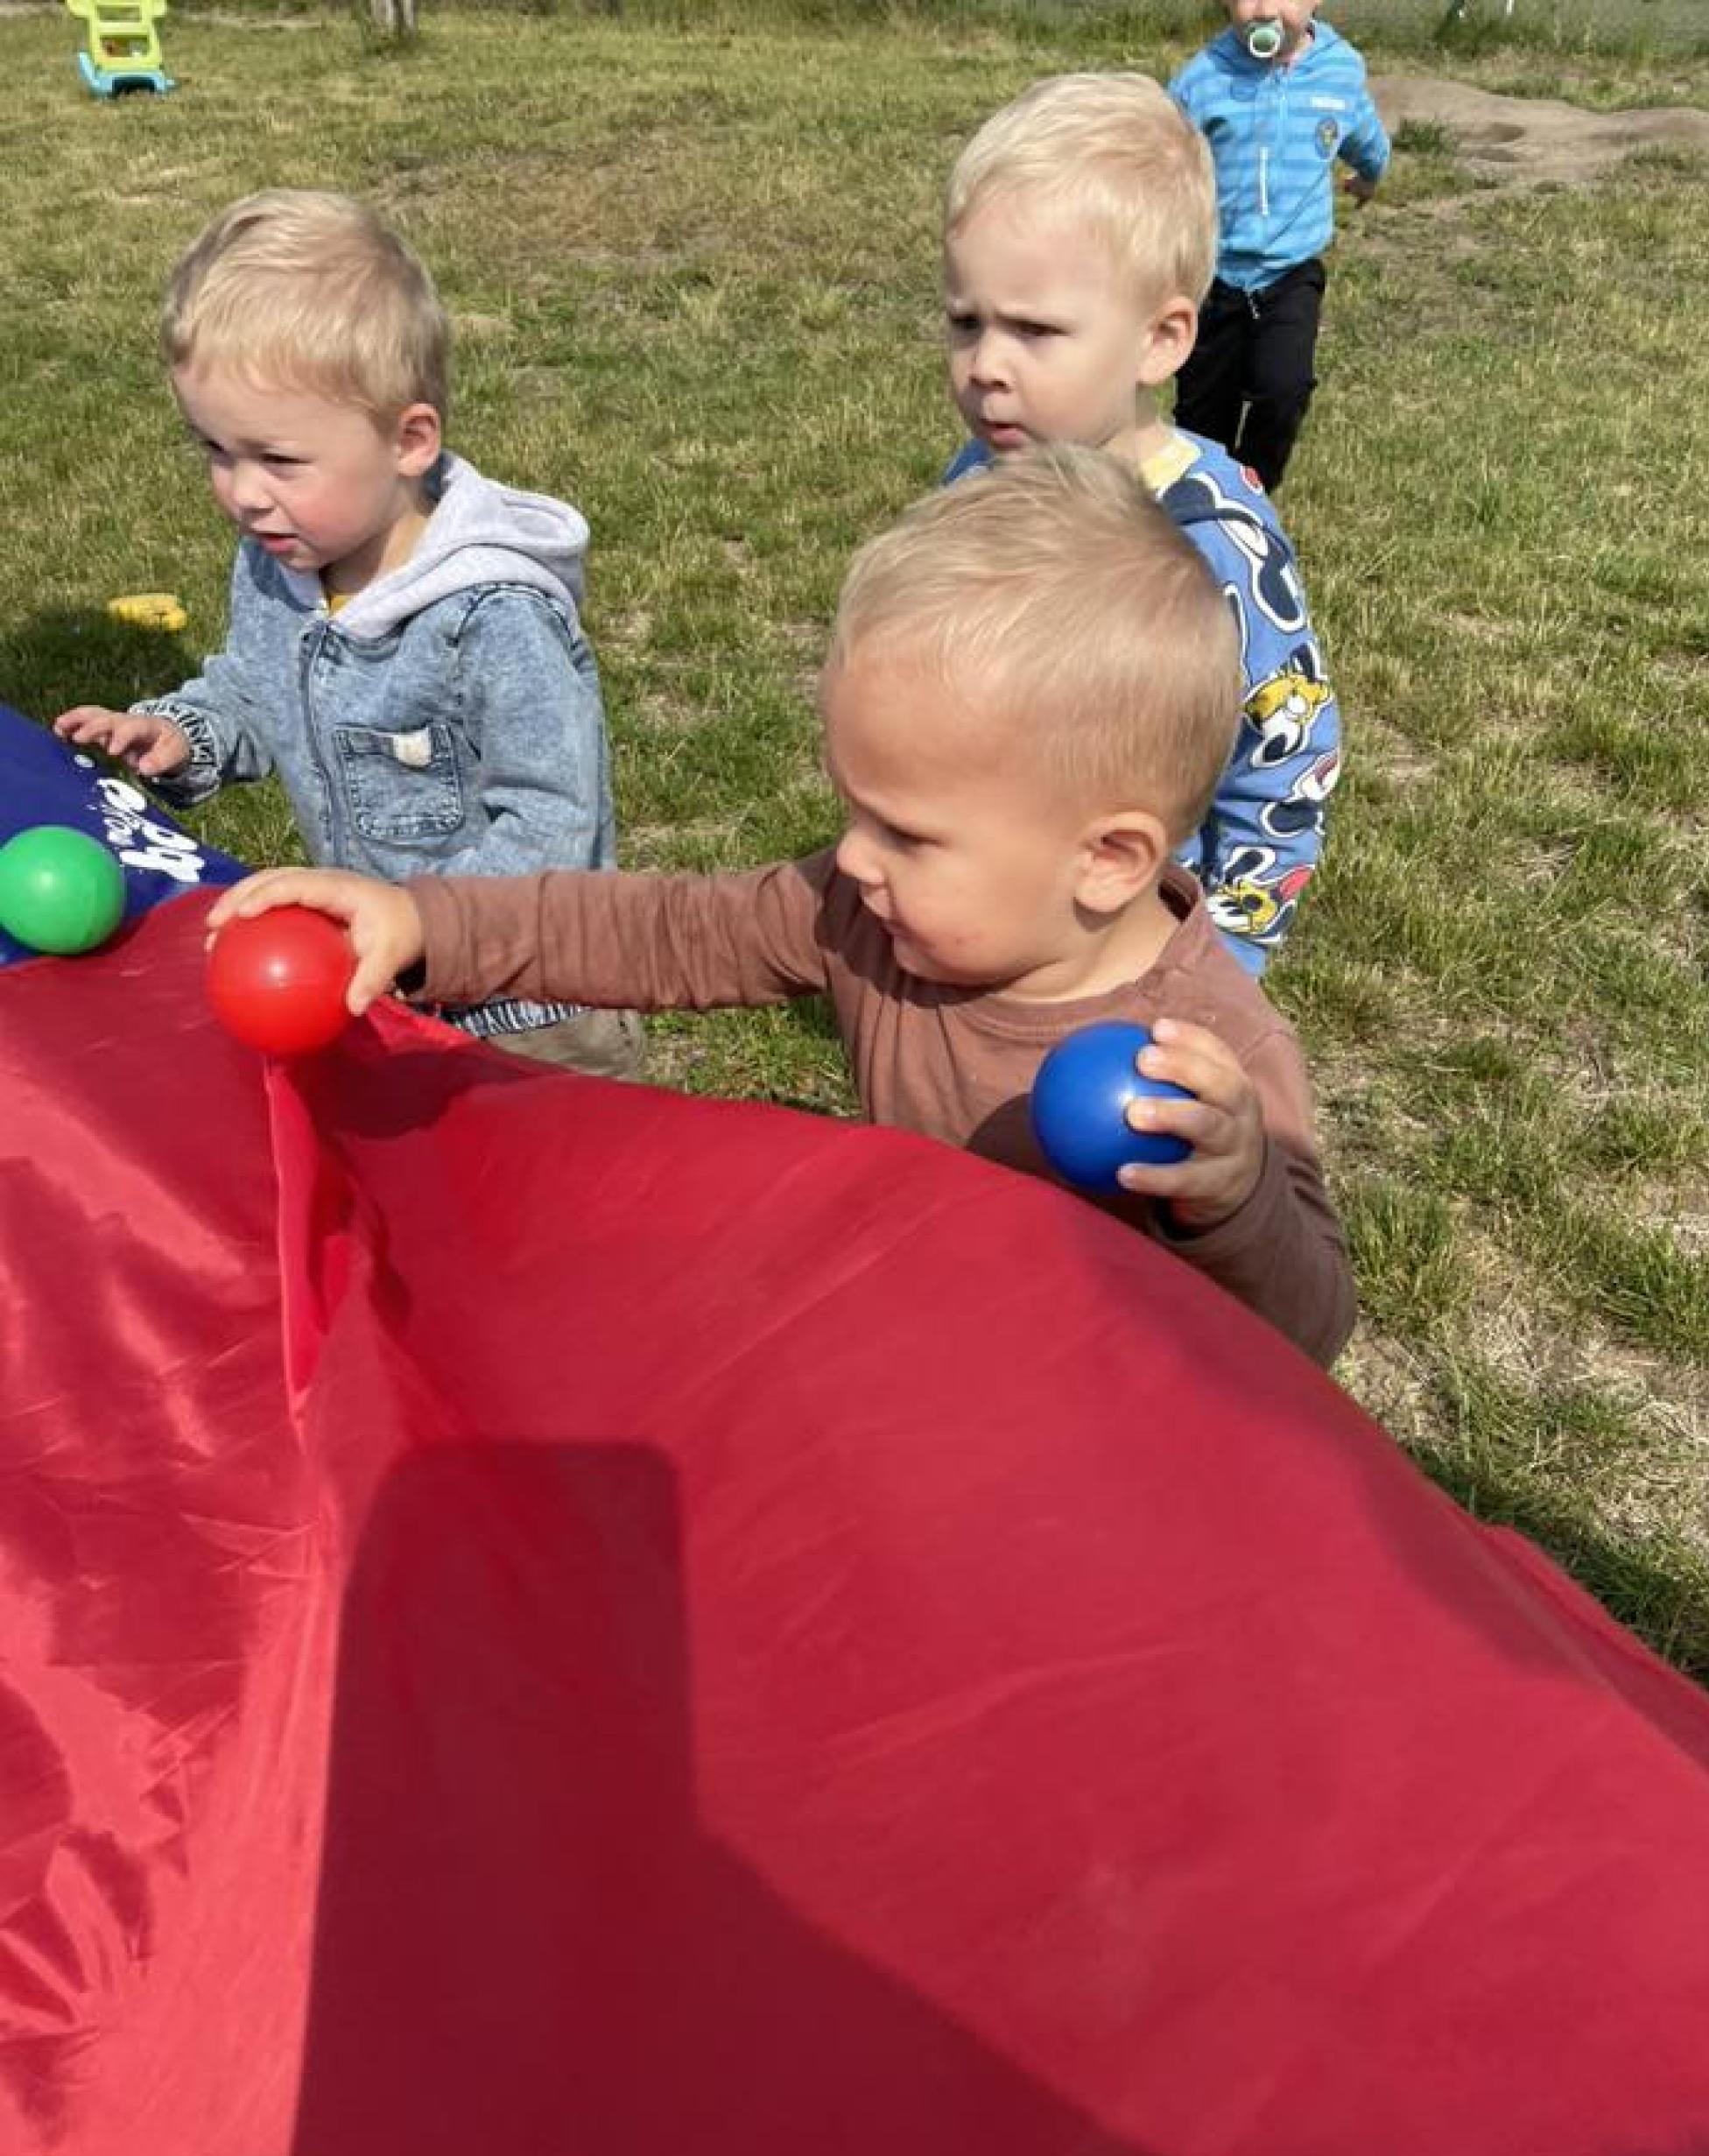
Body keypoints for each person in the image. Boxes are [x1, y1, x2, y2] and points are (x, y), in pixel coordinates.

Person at [207, 448, 1354, 1369]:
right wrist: (427, 923)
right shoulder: (868, 916)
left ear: (1106, 860)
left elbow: (1307, 1335)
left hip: (1099, 1433)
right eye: (853, 810)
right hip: (926, 1364)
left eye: (904, 832)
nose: (851, 857)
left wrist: (1232, 1197)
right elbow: (659, 931)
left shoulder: (1207, 1061)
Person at [55, 189, 639, 1075]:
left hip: (532, 1010)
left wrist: (416, 920)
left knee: (547, 1165)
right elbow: (252, 691)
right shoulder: (280, 562)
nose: (242, 493)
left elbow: (554, 822)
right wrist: (182, 732)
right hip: (384, 979)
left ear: (409, 441)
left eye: (277, 459)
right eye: (214, 450)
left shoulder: (493, 617)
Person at [939, 72, 1340, 976]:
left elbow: (1284, 746)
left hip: (1137, 934)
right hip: (988, 901)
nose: (986, 365)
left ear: (1160, 340)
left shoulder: (1210, 539)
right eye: (965, 322)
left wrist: (1229, 942)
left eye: (1035, 331)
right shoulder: (975, 480)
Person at [1168, 1, 1389, 494]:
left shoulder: (1339, 70)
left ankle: (1252, 490)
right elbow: (1163, 155)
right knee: (1204, 410)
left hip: (1291, 273)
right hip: (1214, 277)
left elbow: (1364, 134)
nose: (1265, 10)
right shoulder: (1203, 79)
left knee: (1283, 389)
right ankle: (1202, 499)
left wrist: (1371, 174)